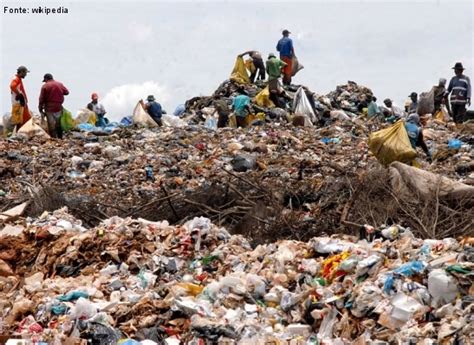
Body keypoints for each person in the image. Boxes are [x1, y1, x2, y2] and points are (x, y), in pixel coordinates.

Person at [38, 73, 69, 138]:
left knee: (51, 125)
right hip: (58, 107)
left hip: (49, 108)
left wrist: (40, 108)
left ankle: (53, 138)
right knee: (58, 124)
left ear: (46, 79)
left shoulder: (45, 86)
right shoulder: (59, 84)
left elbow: (41, 98)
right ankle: (60, 138)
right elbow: (66, 92)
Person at [10, 66, 31, 130]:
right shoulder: (16, 79)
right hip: (18, 103)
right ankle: (18, 134)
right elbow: (12, 86)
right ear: (21, 72)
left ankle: (20, 133)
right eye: (25, 73)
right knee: (20, 121)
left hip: (21, 103)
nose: (26, 74)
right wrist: (20, 95)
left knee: (24, 119)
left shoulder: (18, 79)